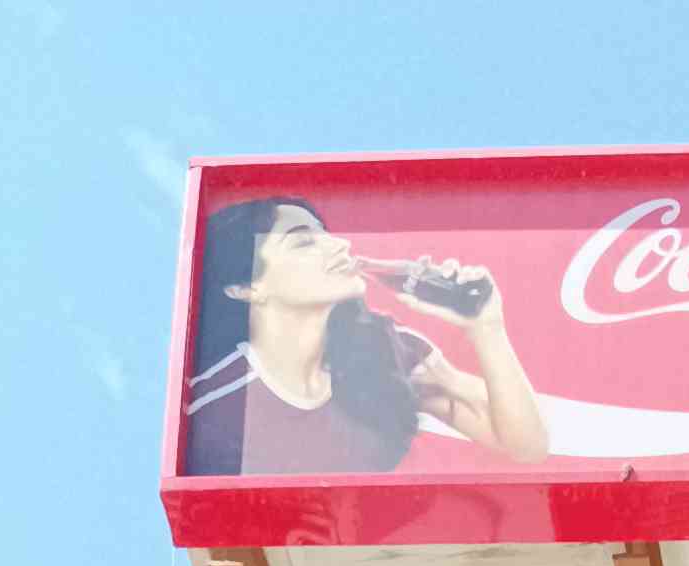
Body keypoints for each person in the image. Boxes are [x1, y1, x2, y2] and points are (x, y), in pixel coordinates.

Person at [184, 195, 547, 479]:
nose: (340, 245)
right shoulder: (215, 411)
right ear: (246, 288)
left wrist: (485, 327)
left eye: (326, 234)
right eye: (303, 242)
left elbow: (526, 446)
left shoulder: (384, 348)